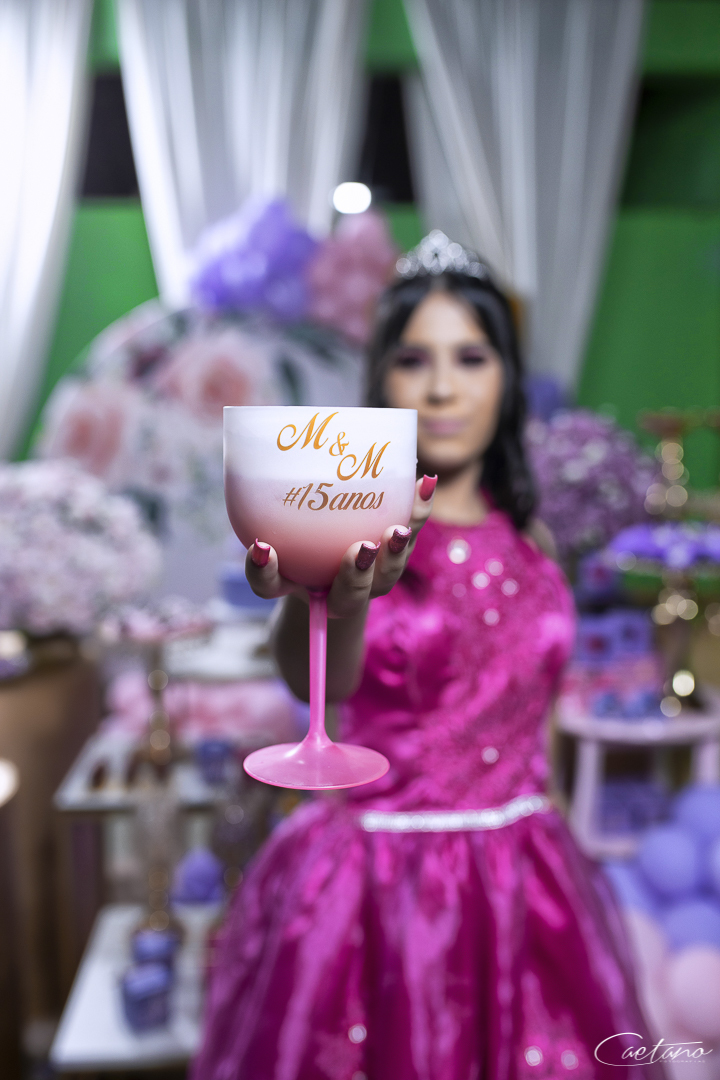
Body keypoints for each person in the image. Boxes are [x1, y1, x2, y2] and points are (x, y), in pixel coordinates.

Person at [193, 233, 659, 1080]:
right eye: (415, 359)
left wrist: (557, 827)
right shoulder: (355, 523)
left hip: (527, 877)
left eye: (471, 357)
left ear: (507, 376)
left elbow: (537, 714)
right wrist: (329, 596)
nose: (444, 387)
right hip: (379, 882)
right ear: (383, 380)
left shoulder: (535, 536)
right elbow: (317, 682)